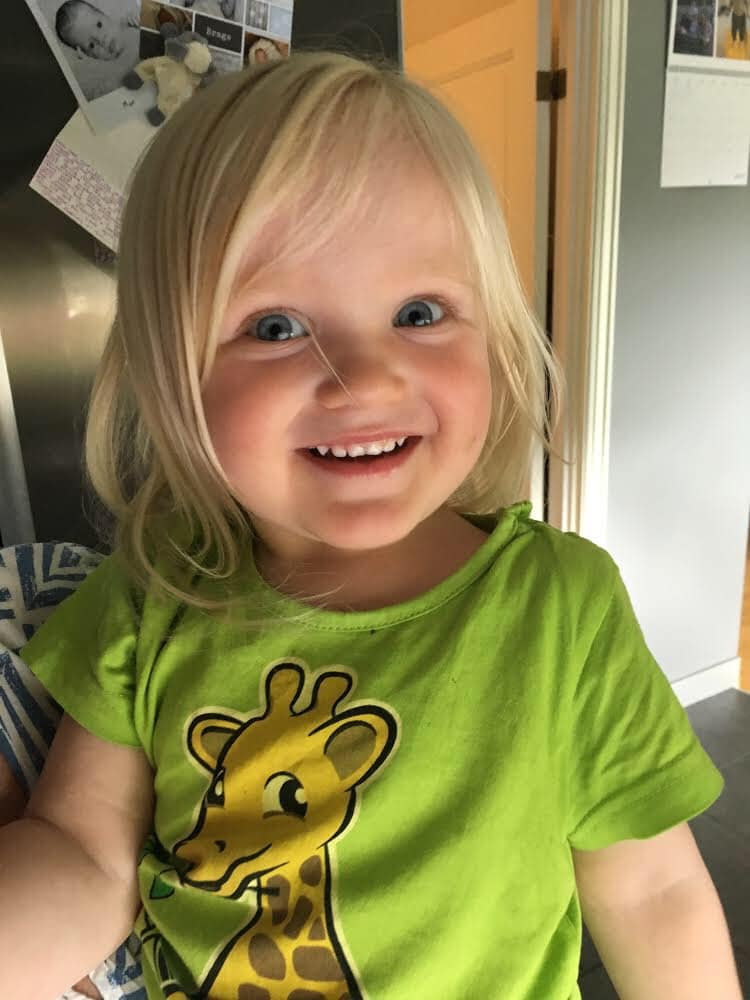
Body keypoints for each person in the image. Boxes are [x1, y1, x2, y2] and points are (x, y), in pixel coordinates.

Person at [0, 52, 743, 1000]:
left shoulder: (563, 607)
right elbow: (81, 854)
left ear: (494, 335)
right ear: (168, 374)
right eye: (276, 327)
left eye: (420, 312)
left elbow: (653, 893)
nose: (364, 378)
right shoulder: (153, 595)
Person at [54, 0, 137, 60]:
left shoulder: (130, 23)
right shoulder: (106, 72)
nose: (101, 40)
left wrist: (138, 17)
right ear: (87, 55)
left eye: (99, 25)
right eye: (91, 45)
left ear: (104, 14)